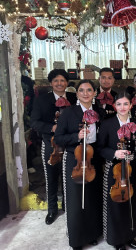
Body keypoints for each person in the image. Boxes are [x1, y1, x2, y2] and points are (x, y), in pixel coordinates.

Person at [54, 79, 104, 250]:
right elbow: (59, 138)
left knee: (92, 198)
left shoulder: (99, 112)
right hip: (74, 160)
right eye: (81, 90)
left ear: (94, 93)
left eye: (89, 90)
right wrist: (76, 136)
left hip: (94, 159)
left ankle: (92, 234)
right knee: (76, 200)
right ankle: (76, 238)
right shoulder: (68, 113)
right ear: (76, 94)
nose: (85, 93)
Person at [97, 92, 136, 250]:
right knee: (115, 206)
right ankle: (117, 239)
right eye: (119, 104)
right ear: (114, 106)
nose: (122, 107)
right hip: (114, 171)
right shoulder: (107, 124)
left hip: (131, 171)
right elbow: (99, 148)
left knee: (131, 204)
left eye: (126, 104)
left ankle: (130, 236)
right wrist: (113, 153)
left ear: (131, 105)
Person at [30, 69, 77, 225]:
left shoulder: (73, 97)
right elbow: (34, 122)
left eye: (62, 80)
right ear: (51, 83)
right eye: (56, 81)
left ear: (67, 83)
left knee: (68, 176)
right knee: (51, 177)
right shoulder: (42, 100)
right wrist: (52, 128)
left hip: (70, 144)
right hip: (50, 144)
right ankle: (52, 210)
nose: (59, 83)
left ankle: (67, 205)